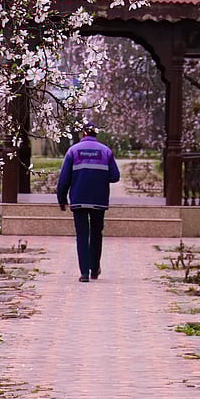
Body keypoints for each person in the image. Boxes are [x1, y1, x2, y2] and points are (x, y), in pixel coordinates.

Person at [56, 121, 120, 282]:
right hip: (99, 199)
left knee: (82, 235)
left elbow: (64, 179)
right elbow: (115, 176)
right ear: (95, 134)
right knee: (96, 234)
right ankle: (94, 269)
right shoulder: (106, 151)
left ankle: (84, 273)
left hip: (79, 199)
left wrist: (61, 199)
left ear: (83, 134)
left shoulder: (73, 151)